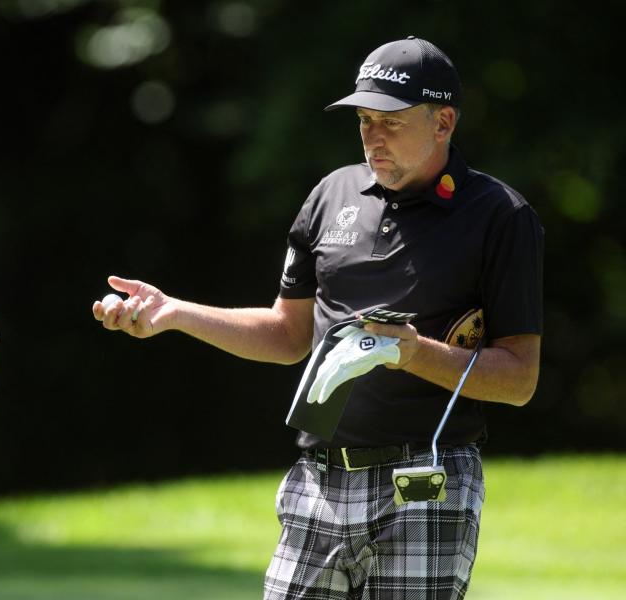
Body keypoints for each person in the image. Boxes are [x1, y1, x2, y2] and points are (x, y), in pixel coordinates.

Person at [93, 36, 542, 599]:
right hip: (319, 477)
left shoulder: (500, 216)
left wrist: (410, 352)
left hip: (428, 480)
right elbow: (288, 335)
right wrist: (177, 313)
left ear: (443, 122)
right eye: (363, 121)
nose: (372, 138)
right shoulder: (332, 194)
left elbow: (520, 379)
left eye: (390, 122)